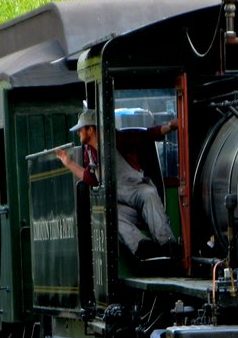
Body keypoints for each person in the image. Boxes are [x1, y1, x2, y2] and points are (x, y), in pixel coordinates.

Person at [57, 109, 179, 260]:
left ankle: (168, 245)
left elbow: (148, 135)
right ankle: (144, 248)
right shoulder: (89, 153)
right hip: (120, 202)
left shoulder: (119, 139)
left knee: (149, 195)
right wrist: (68, 163)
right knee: (107, 213)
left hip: (136, 190)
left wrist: (171, 126)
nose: (78, 133)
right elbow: (90, 178)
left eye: (80, 129)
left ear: (90, 129)